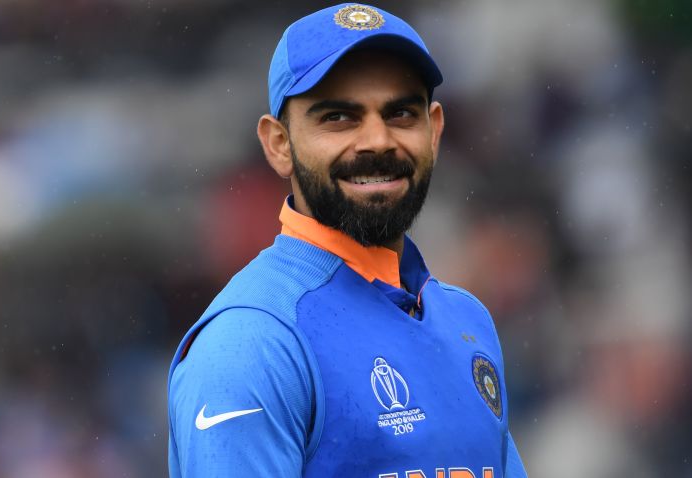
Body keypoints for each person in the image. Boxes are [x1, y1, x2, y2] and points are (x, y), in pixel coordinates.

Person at [167, 3, 528, 477]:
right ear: (279, 144)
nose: (377, 141)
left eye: (400, 113)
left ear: (434, 131)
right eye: (339, 117)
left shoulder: (466, 320)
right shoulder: (252, 343)